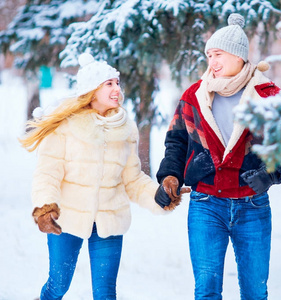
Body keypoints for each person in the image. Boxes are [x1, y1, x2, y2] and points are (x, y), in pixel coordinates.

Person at [20, 53, 189, 300]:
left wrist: (159, 195)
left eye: (117, 83)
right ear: (92, 90)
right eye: (109, 84)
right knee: (58, 285)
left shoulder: (125, 127)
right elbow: (48, 173)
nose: (116, 89)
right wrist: (45, 208)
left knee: (106, 293)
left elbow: (132, 179)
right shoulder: (65, 127)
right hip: (67, 219)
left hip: (110, 220)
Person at [155, 13, 281, 300]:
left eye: (218, 54)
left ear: (238, 55)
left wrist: (270, 175)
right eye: (209, 55)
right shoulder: (194, 96)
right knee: (206, 290)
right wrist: (170, 175)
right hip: (206, 205)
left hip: (253, 207)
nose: (212, 62)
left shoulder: (269, 96)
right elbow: (176, 142)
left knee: (255, 291)